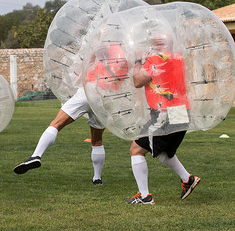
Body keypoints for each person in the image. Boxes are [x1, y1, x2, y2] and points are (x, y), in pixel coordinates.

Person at [13, 43, 129, 185]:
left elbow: (79, 71)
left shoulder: (97, 47)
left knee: (56, 124)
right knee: (97, 140)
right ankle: (97, 178)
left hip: (88, 90)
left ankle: (36, 155)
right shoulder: (123, 54)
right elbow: (122, 80)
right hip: (105, 98)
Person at [125, 33, 200, 204]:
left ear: (158, 45)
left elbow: (138, 81)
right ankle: (187, 179)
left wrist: (137, 61)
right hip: (181, 109)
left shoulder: (156, 60)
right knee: (162, 151)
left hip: (164, 112)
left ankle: (144, 196)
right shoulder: (178, 58)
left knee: (136, 149)